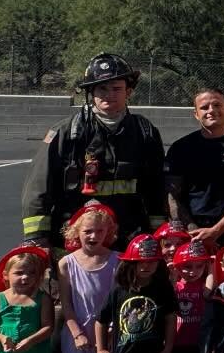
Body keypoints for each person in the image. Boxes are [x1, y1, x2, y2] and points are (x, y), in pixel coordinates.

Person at [22, 53, 167, 247]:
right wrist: (37, 237)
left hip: (129, 237)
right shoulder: (66, 132)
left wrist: (158, 232)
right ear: (91, 92)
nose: (109, 94)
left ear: (129, 91)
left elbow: (156, 187)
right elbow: (39, 188)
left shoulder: (145, 132)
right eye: (102, 88)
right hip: (77, 236)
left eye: (117, 88)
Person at [57, 201, 120, 353]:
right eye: (87, 232)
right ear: (75, 233)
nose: (94, 236)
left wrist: (111, 329)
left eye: (99, 231)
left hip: (107, 332)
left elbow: (117, 301)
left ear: (108, 233)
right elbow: (66, 304)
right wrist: (77, 333)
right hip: (77, 333)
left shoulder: (116, 260)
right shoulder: (66, 264)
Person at [163, 88, 224, 246]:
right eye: (204, 107)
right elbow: (172, 197)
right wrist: (192, 231)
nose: (211, 110)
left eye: (217, 105)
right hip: (191, 235)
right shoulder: (180, 148)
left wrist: (216, 231)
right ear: (196, 114)